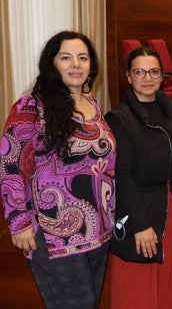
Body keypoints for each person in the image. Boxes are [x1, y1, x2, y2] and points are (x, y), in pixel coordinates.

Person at [0, 31, 115, 308]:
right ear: (52, 64)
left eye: (82, 57)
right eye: (66, 57)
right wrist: (19, 222)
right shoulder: (32, 105)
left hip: (98, 230)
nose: (75, 64)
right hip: (52, 232)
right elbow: (11, 163)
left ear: (91, 66)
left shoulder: (93, 106)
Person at [106, 46, 172, 308]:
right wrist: (139, 225)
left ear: (162, 75)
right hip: (138, 210)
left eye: (153, 71)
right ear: (129, 77)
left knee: (165, 282)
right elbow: (122, 175)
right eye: (139, 72)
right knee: (137, 289)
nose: (147, 77)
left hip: (168, 206)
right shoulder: (119, 118)